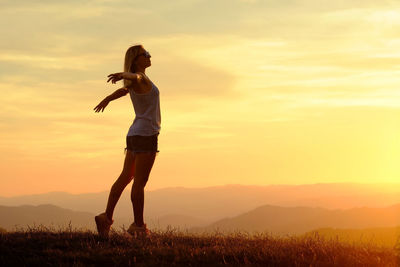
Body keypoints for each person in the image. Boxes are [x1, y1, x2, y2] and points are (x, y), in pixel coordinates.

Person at [93, 44, 161, 238]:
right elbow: (136, 77)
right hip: (146, 135)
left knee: (125, 177)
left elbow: (123, 91)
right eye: (145, 54)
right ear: (136, 59)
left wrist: (107, 98)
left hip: (133, 134)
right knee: (139, 183)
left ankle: (106, 217)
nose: (149, 56)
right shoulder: (141, 78)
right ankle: (138, 226)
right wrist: (126, 75)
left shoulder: (136, 82)